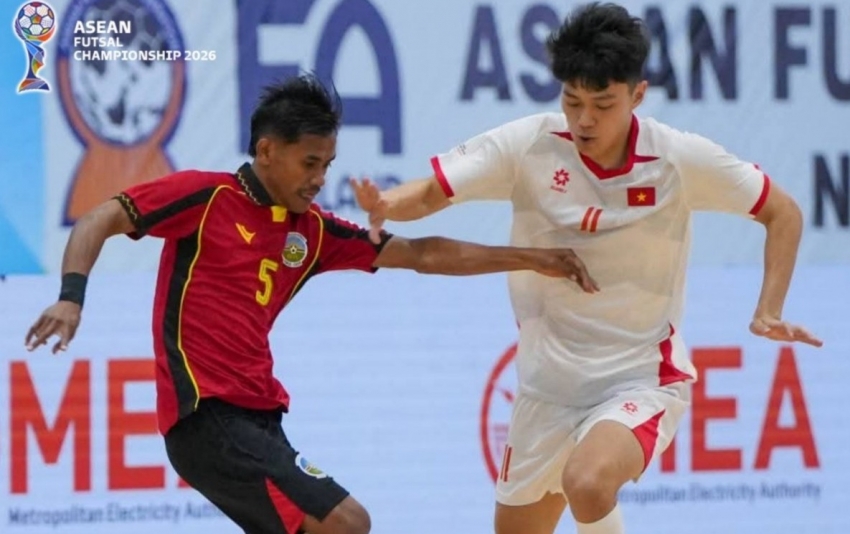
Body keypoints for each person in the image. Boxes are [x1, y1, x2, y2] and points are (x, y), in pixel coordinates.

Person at [23, 74, 598, 534]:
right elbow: (101, 217)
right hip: (206, 416)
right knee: (346, 522)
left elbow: (422, 254)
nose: (321, 178)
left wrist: (531, 257)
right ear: (267, 150)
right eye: (309, 163)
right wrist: (71, 297)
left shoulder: (313, 232)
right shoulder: (208, 196)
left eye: (327, 164)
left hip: (262, 420)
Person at [351, 3, 824, 534]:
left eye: (603, 104)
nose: (584, 120)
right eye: (572, 101)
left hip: (638, 379)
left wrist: (768, 310)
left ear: (637, 95)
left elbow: (783, 211)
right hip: (546, 390)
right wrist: (387, 204)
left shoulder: (677, 159)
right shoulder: (530, 145)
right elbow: (431, 193)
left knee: (589, 482)